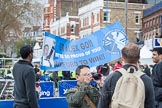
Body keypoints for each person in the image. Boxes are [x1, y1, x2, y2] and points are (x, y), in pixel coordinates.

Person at [98, 43, 155, 108]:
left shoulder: (112, 77)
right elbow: (151, 104)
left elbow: (103, 104)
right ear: (139, 58)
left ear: (122, 58)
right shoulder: (146, 80)